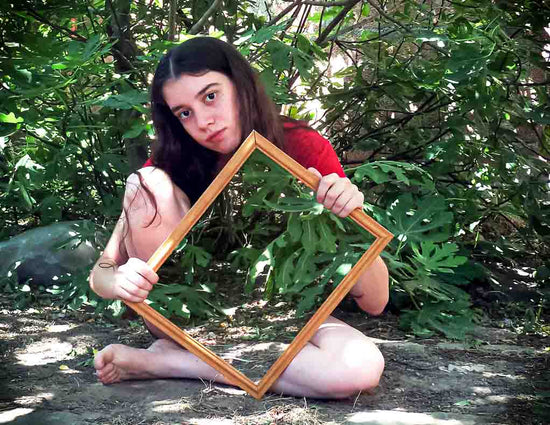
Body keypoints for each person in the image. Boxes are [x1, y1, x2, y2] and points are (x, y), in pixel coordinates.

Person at [89, 37, 389, 399]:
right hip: (189, 318)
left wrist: (351, 219)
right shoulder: (170, 164)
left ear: (240, 85)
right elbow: (101, 272)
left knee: (360, 368)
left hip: (283, 312)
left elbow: (376, 301)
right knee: (145, 183)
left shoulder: (301, 147)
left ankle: (167, 363)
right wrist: (119, 279)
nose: (203, 121)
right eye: (184, 112)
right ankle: (187, 347)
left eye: (210, 96)